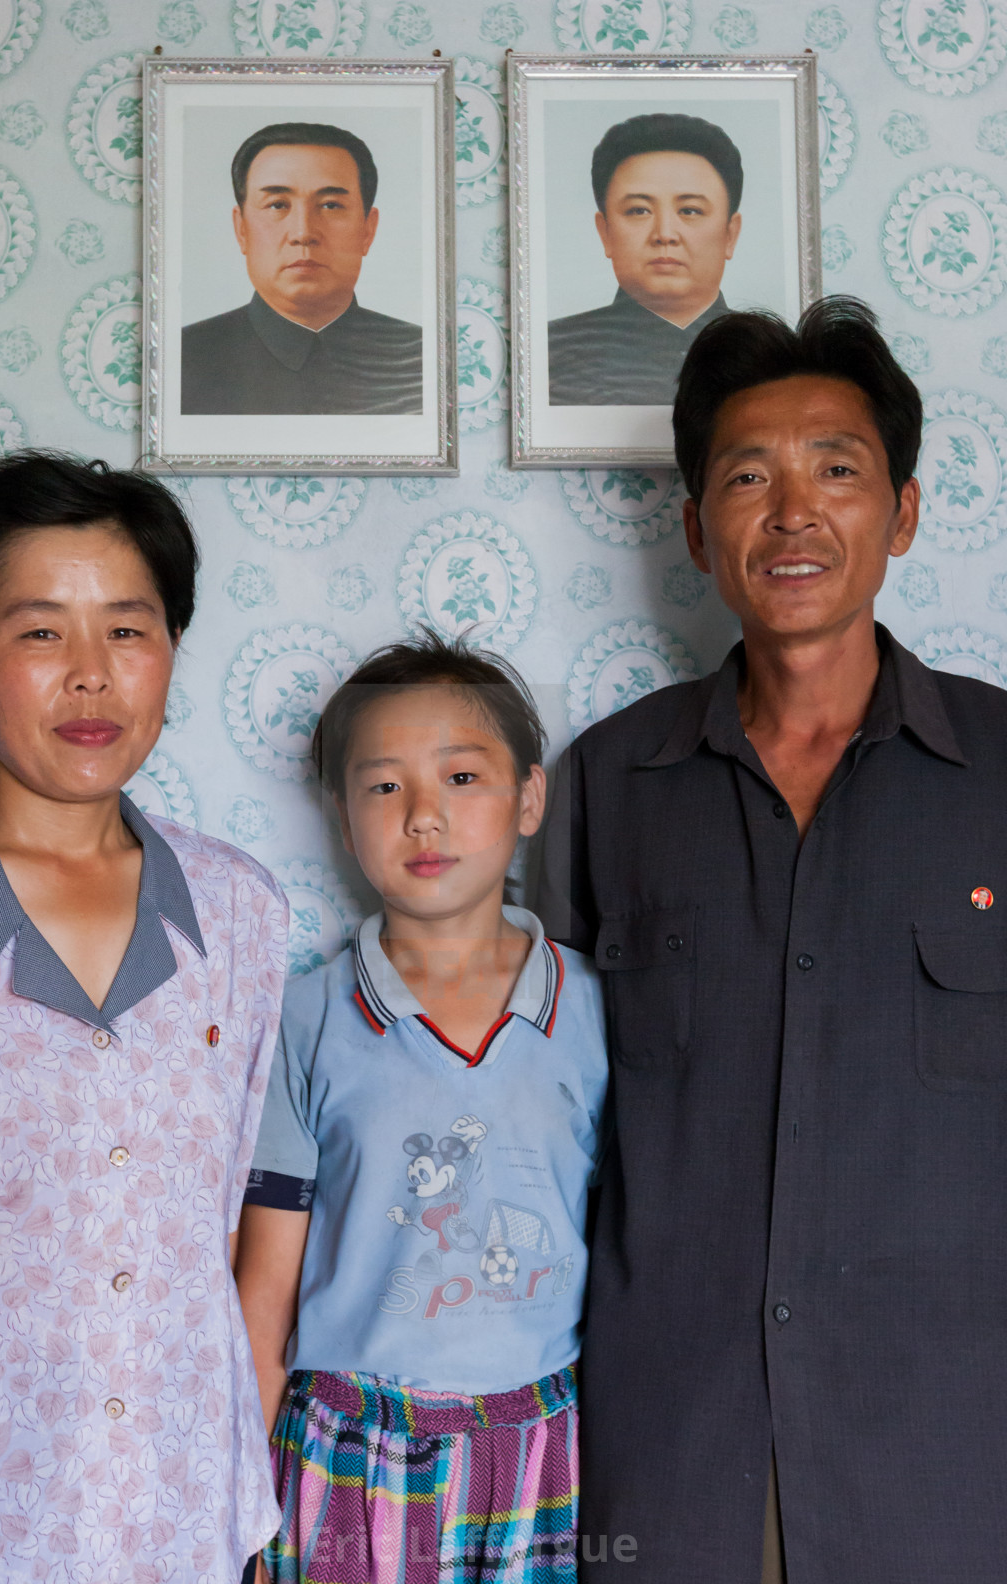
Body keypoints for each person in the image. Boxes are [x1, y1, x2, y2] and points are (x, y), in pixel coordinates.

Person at [540, 292, 1007, 1582]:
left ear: (902, 513)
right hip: (677, 1450)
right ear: (695, 527)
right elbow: (541, 1117)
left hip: (950, 1457)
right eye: (748, 477)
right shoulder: (604, 784)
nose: (792, 512)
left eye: (837, 471)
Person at [0, 452, 288, 1583]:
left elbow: (231, 1239)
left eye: (127, 629)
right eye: (38, 632)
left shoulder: (242, 914)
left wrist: (240, 1511)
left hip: (183, 1523)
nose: (91, 676)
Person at [233, 632, 608, 1584]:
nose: (424, 818)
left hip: (537, 1449)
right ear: (343, 813)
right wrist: (230, 1489)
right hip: (348, 1446)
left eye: (463, 777)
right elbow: (264, 1293)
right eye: (386, 786)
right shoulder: (308, 1020)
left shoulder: (598, 1009)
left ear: (529, 798)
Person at [182, 122, 422, 415]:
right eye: (277, 205)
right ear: (241, 229)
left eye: (331, 205)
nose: (303, 232)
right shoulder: (181, 360)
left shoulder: (420, 357)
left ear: (368, 230)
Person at [547, 113, 742, 406]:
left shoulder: (773, 353)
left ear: (730, 234)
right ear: (605, 233)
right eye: (639, 211)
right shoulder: (550, 350)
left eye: (690, 211)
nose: (665, 234)